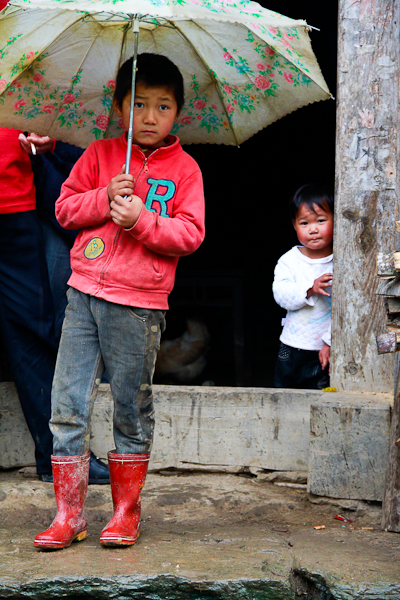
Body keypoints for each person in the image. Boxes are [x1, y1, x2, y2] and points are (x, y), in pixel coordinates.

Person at [34, 53, 205, 551]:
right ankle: (68, 515)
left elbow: (190, 234)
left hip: (139, 304)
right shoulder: (100, 154)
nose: (149, 117)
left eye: (163, 106)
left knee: (130, 405)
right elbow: (65, 208)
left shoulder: (187, 170)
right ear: (118, 106)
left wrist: (140, 221)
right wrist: (104, 196)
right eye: (139, 105)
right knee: (67, 404)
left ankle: (125, 514)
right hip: (83, 294)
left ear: (178, 113)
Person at [0, 128, 110, 483]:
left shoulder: (19, 75)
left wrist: (48, 141)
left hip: (15, 205)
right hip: (15, 206)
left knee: (32, 332)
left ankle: (59, 458)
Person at [272, 183, 333, 390]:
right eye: (305, 223)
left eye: (321, 221)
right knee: (284, 395)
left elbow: (350, 309)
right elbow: (281, 295)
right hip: (292, 345)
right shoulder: (289, 261)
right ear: (294, 225)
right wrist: (310, 288)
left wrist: (330, 342)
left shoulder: (343, 261)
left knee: (323, 397)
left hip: (325, 349)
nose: (313, 229)